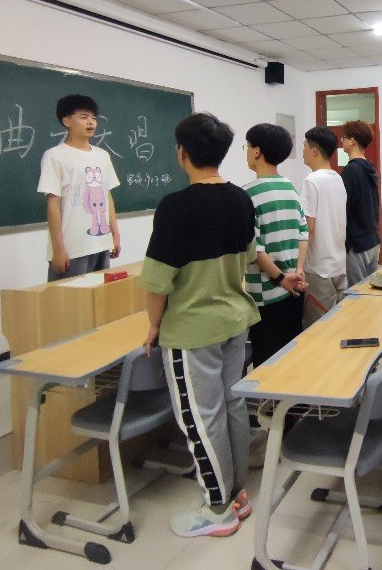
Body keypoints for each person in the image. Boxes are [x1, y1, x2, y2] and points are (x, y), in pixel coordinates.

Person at [139, 113, 257, 537]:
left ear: (182, 153)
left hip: (192, 328)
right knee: (232, 407)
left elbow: (157, 280)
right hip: (235, 318)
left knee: (201, 418)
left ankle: (217, 508)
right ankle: (237, 493)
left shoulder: (176, 207)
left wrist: (154, 325)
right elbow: (248, 256)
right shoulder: (241, 199)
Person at [243, 123, 309, 365]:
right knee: (291, 355)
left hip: (266, 293)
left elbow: (254, 248)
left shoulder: (248, 194)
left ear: (257, 151)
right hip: (295, 288)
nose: (247, 152)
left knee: (267, 363)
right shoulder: (289, 187)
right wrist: (298, 270)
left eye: (247, 146)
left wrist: (280, 277)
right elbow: (303, 233)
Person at [38, 94, 121, 281]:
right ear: (66, 121)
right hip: (72, 248)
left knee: (99, 296)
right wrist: (58, 249)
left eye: (93, 118)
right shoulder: (55, 156)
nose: (91, 122)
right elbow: (53, 204)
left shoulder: (103, 155)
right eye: (84, 117)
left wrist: (115, 235)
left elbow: (107, 196)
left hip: (101, 243)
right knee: (68, 297)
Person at [301, 127, 348, 325]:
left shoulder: (312, 181)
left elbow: (308, 227)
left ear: (314, 151)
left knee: (317, 327)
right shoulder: (338, 178)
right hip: (338, 263)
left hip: (318, 267)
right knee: (337, 323)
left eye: (304, 146)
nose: (302, 151)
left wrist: (299, 265)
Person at [340, 120, 381, 284]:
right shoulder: (369, 167)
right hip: (372, 239)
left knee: (356, 292)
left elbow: (344, 208)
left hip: (357, 244)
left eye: (344, 138)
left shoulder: (351, 170)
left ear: (352, 141)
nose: (341, 141)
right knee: (369, 290)